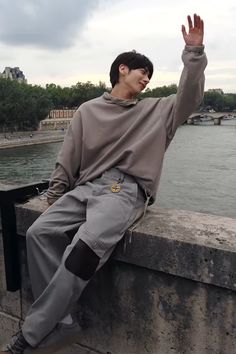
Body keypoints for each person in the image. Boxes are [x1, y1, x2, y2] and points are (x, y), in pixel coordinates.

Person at [2, 13, 207, 354]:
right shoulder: (87, 110)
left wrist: (194, 53)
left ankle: (30, 337)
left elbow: (190, 97)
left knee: (82, 251)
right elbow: (68, 157)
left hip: (124, 191)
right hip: (86, 187)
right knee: (39, 233)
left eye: (151, 75)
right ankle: (63, 322)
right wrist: (54, 194)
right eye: (144, 71)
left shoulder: (157, 111)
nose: (147, 79)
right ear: (122, 69)